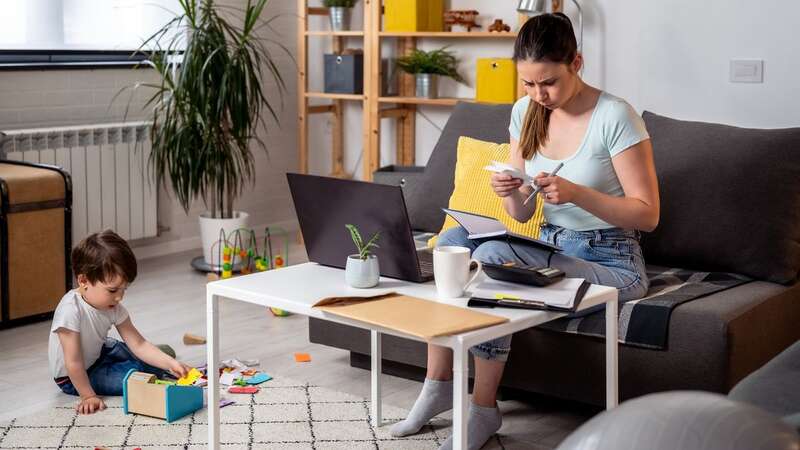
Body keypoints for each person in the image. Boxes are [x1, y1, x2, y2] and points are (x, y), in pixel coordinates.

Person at [391, 13, 660, 450]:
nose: (538, 94)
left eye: (548, 82)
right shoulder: (527, 112)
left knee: (494, 259)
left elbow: (647, 216)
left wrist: (575, 193)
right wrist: (508, 190)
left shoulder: (616, 116)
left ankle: (483, 409)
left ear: (577, 61)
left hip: (611, 260)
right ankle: (438, 383)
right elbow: (519, 214)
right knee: (453, 243)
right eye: (529, 84)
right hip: (551, 246)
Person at [49, 229, 191, 415]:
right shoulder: (70, 310)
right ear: (83, 280)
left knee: (148, 358)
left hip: (101, 351)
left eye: (124, 290)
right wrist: (88, 396)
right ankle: (155, 359)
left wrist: (170, 363)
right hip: (73, 376)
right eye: (113, 290)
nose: (119, 298)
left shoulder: (112, 306)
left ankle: (163, 356)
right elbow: (73, 362)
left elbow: (138, 344)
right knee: (135, 376)